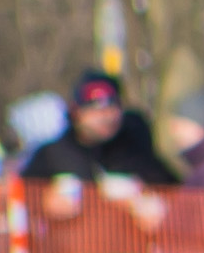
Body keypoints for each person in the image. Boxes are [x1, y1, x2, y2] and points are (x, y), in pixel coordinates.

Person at [23, 69, 182, 189]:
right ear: (76, 113)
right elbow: (21, 201)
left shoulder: (136, 147)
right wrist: (46, 205)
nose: (106, 117)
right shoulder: (53, 155)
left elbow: (174, 193)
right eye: (95, 110)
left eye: (112, 108)